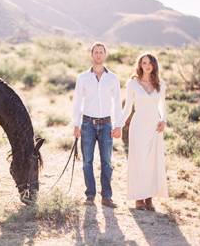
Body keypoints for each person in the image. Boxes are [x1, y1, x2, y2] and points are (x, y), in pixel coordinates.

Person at [72, 42, 123, 208]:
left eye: (101, 52)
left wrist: (118, 125)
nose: (99, 55)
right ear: (91, 55)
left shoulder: (113, 78)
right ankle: (90, 195)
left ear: (105, 55)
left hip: (107, 124)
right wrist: (76, 124)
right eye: (96, 52)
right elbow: (77, 102)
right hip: (87, 124)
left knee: (107, 162)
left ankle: (107, 197)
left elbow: (117, 103)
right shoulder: (82, 78)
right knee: (87, 161)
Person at [122, 53, 168, 211]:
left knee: (152, 162)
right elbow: (128, 107)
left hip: (154, 127)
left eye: (150, 63)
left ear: (154, 65)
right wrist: (118, 125)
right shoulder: (132, 83)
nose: (147, 66)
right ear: (140, 65)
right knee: (139, 161)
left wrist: (164, 120)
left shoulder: (160, 84)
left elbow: (162, 106)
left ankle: (149, 198)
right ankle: (138, 198)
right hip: (139, 126)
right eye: (144, 63)